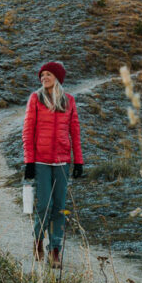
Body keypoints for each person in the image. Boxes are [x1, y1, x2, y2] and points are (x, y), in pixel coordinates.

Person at [22, 61, 84, 266]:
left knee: (59, 207)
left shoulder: (69, 101)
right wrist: (29, 161)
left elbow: (75, 132)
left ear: (57, 77)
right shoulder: (35, 99)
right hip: (40, 162)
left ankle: (55, 250)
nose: (44, 78)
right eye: (42, 75)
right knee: (44, 206)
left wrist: (79, 161)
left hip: (62, 162)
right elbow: (28, 131)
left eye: (48, 74)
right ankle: (38, 239)